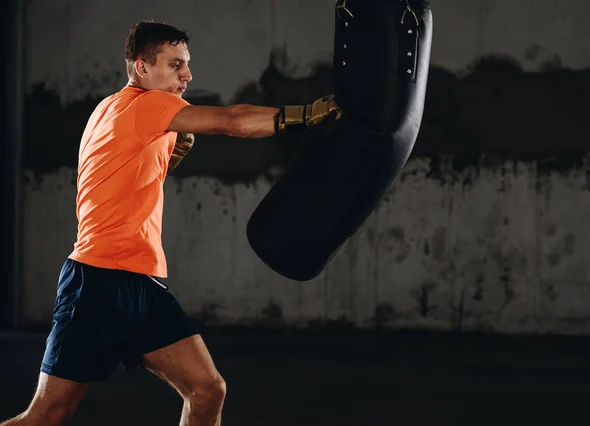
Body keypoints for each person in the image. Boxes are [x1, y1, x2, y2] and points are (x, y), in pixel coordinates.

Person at [1, 20, 342, 426]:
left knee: (207, 389)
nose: (187, 75)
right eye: (175, 64)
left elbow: (113, 179)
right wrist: (308, 115)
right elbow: (233, 120)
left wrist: (164, 159)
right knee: (48, 415)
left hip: (140, 284)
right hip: (97, 283)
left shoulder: (107, 108)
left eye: (187, 64)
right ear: (142, 67)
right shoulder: (149, 105)